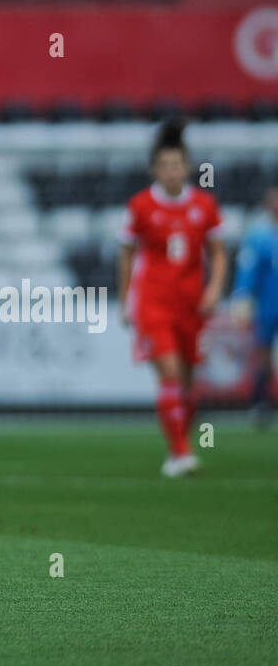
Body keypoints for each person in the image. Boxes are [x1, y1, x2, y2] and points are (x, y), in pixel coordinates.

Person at [117, 118, 226, 477]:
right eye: (163, 165)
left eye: (176, 164)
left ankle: (181, 444)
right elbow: (127, 254)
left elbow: (219, 253)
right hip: (154, 303)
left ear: (188, 166)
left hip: (191, 305)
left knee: (190, 382)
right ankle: (180, 452)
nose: (170, 171)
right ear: (154, 169)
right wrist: (124, 300)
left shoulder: (205, 205)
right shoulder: (141, 206)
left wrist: (214, 289)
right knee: (170, 372)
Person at [230, 185, 278, 426]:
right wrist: (242, 298)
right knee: (263, 354)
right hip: (269, 306)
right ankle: (260, 402)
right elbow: (247, 271)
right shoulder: (259, 237)